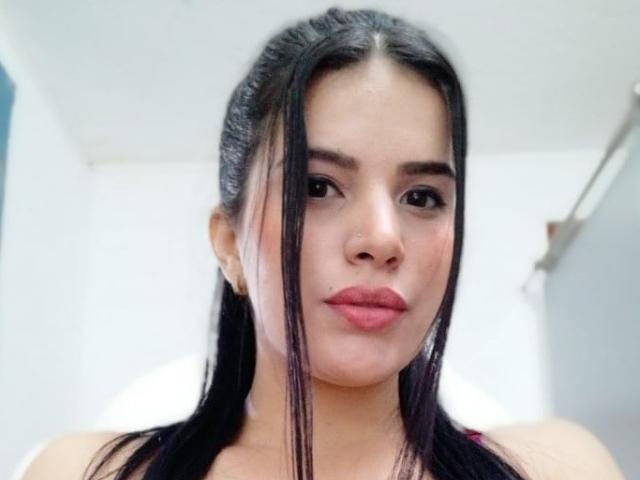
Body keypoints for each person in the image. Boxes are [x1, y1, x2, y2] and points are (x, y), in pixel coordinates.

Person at [22, 7, 625, 480]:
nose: (382, 239)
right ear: (229, 244)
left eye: (421, 197)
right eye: (317, 186)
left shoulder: (563, 469)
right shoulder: (82, 473)